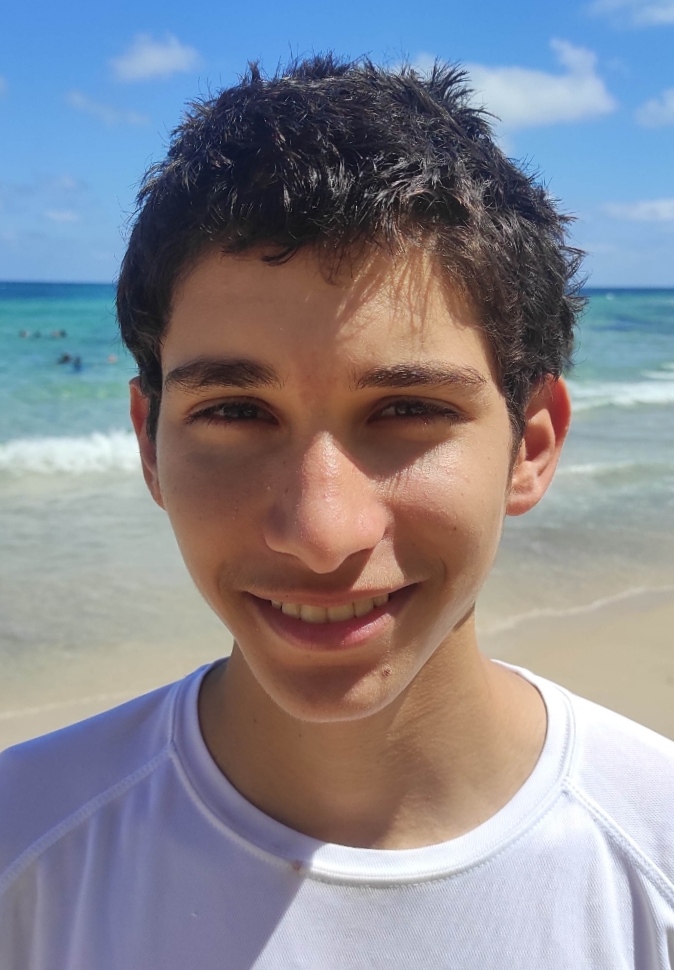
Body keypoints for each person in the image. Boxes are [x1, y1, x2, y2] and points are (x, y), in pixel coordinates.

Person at [1, 56, 673, 969]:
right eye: (236, 412)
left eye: (407, 410)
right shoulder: (25, 848)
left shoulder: (652, 857)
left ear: (533, 444)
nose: (321, 534)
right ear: (149, 444)